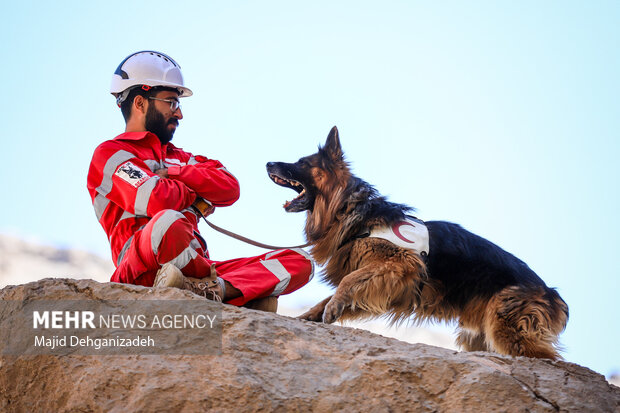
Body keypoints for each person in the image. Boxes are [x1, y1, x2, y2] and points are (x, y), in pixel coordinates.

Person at [87, 51, 314, 310]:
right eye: (171, 102)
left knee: (299, 261)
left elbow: (229, 188)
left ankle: (215, 290)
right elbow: (157, 199)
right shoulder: (111, 155)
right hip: (142, 271)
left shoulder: (182, 159)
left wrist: (174, 174)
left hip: (201, 268)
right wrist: (195, 197)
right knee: (169, 221)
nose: (179, 114)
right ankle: (235, 294)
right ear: (139, 103)